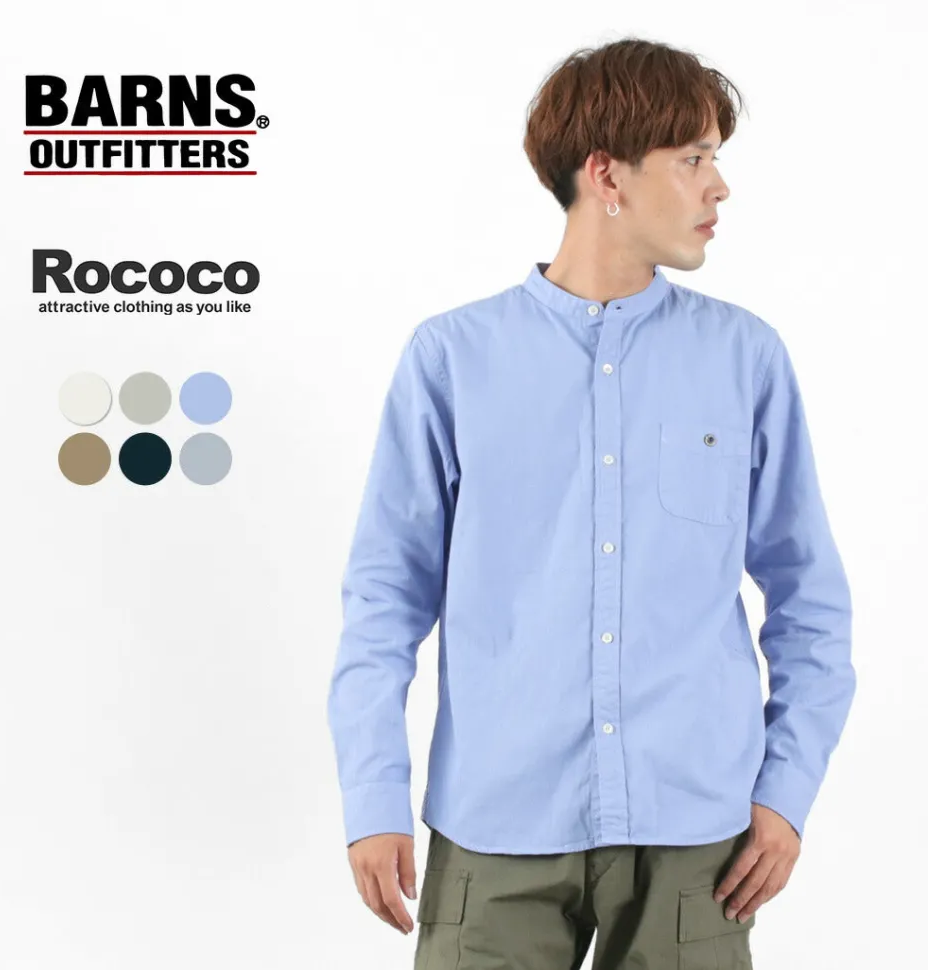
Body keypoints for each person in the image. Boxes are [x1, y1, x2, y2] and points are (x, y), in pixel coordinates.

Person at [326, 36, 855, 969]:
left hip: (699, 840)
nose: (719, 187)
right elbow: (384, 598)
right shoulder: (452, 359)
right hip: (497, 824)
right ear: (606, 175)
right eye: (692, 159)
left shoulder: (746, 359)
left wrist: (786, 789)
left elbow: (809, 598)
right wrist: (372, 798)